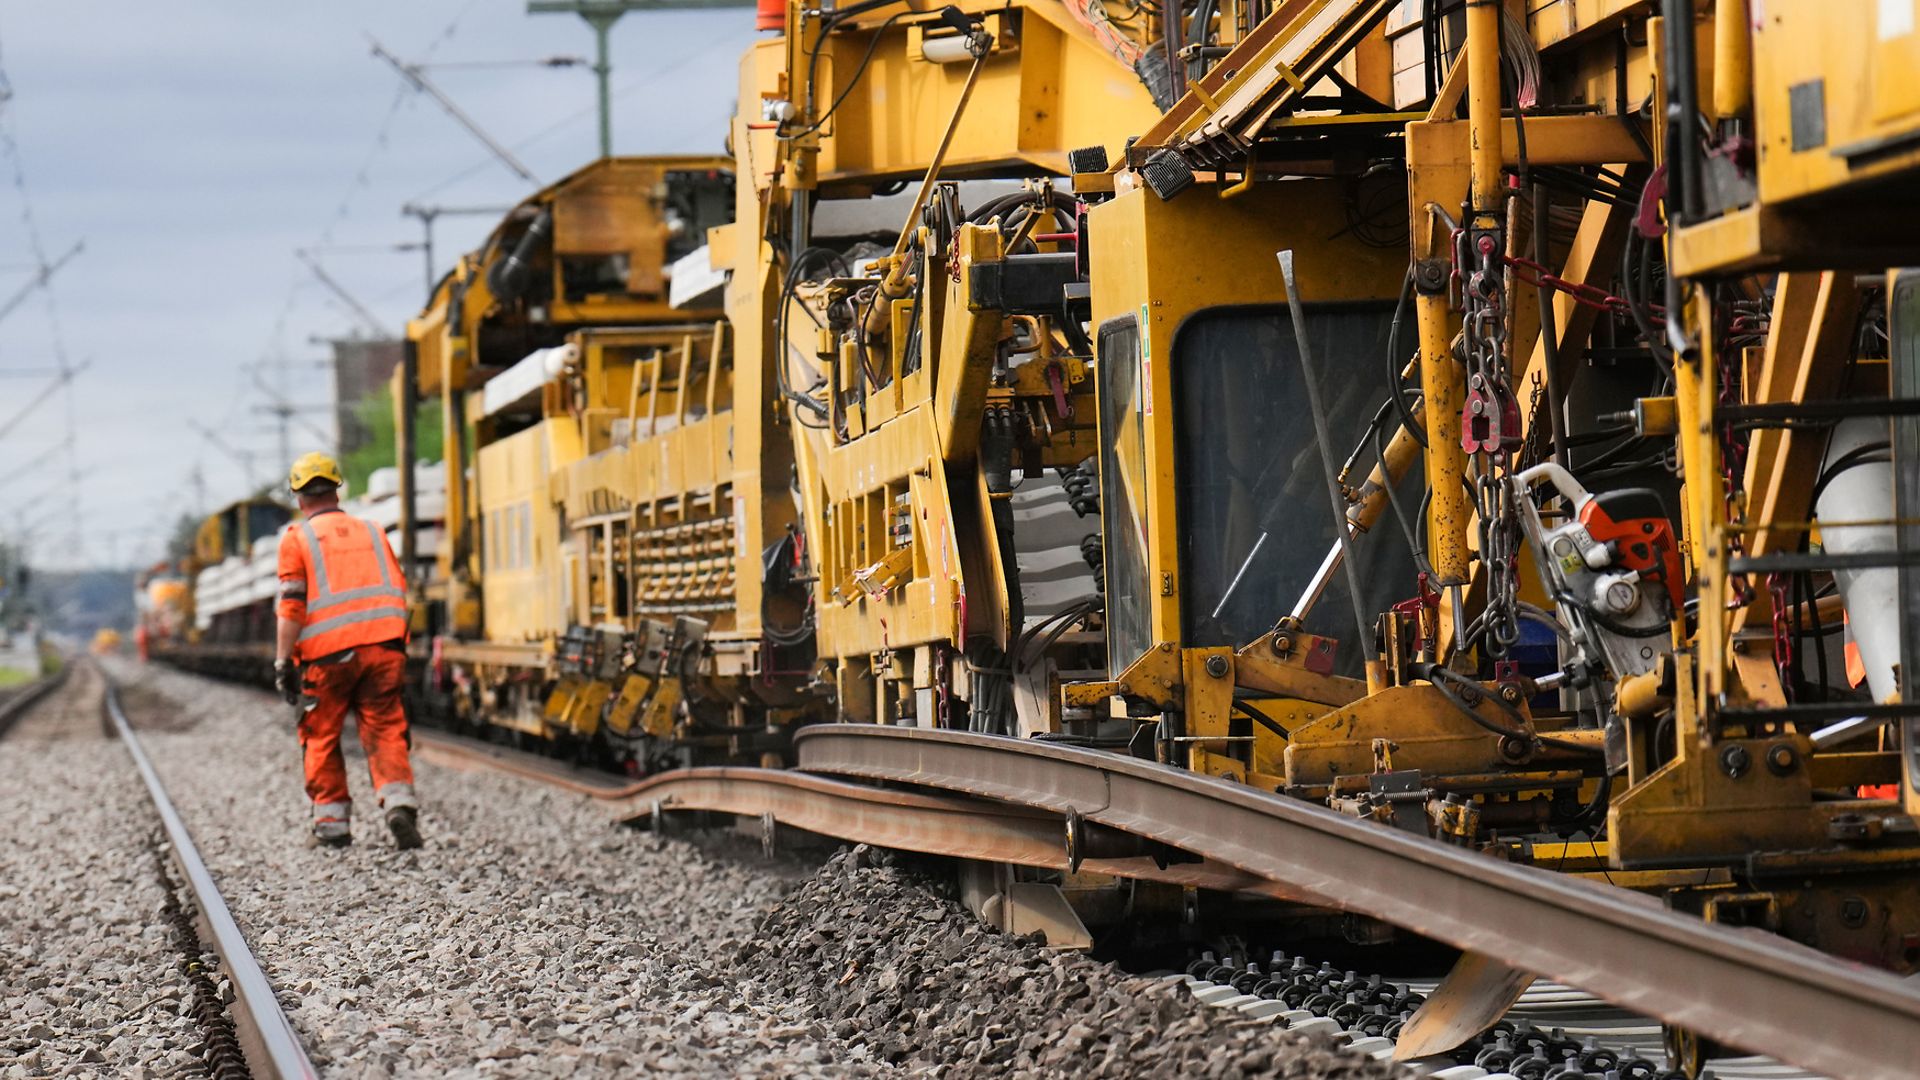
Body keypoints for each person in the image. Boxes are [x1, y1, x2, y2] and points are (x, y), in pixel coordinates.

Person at [272, 451, 422, 849]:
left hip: (328, 658)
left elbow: (291, 607)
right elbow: (399, 587)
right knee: (385, 725)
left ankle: (333, 823)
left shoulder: (297, 539)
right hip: (385, 648)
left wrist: (283, 659)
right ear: (337, 490)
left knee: (321, 733)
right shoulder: (373, 531)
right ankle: (398, 803)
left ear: (299, 497)